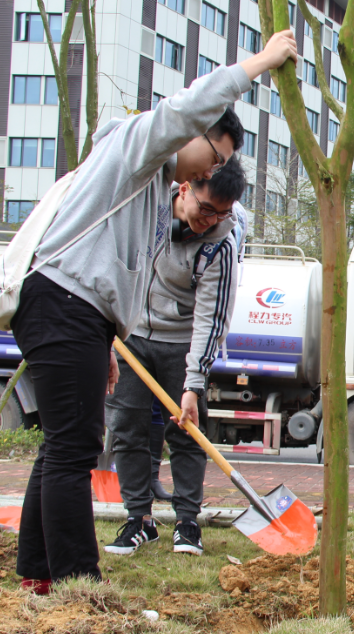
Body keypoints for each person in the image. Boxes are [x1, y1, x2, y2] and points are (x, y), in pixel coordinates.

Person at [9, 30, 297, 594]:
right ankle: (77, 584)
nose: (208, 172)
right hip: (62, 300)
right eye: (216, 156)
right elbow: (189, 105)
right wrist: (262, 61)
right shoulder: (138, 146)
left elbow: (122, 273)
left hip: (79, 313)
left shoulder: (149, 191)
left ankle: (38, 577)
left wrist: (108, 340)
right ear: (193, 137)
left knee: (62, 445)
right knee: (75, 449)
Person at [104, 158, 249, 557]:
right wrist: (108, 336)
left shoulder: (222, 243)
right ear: (184, 188)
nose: (211, 220)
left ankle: (187, 522)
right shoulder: (147, 209)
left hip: (182, 342)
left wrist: (193, 383)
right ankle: (138, 520)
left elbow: (211, 318)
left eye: (222, 213)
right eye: (206, 209)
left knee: (187, 433)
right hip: (131, 335)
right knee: (127, 428)